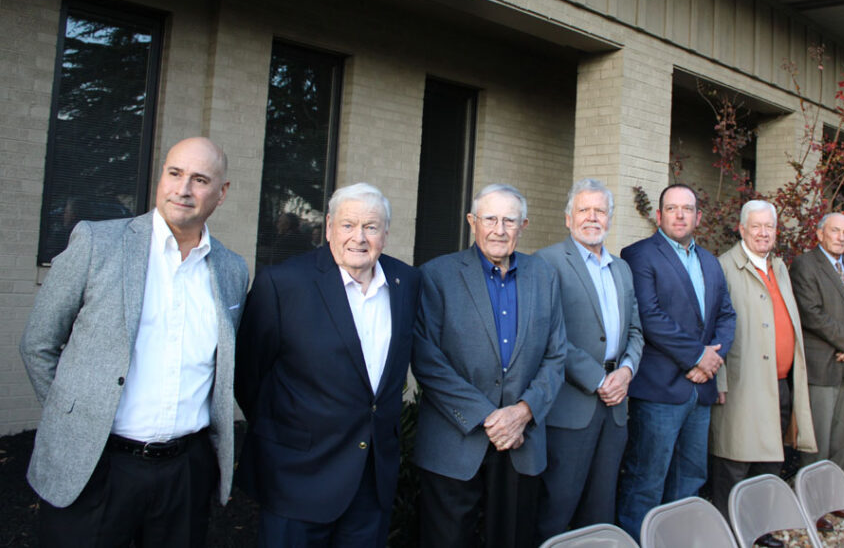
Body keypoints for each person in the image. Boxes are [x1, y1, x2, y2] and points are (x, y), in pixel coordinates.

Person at [20, 137, 249, 547]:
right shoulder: (97, 243)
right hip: (96, 466)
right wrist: (76, 420)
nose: (183, 189)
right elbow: (39, 343)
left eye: (199, 179)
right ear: (161, 177)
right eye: (175, 173)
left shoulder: (231, 269)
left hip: (186, 474)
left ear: (222, 193)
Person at [234, 183, 420, 548]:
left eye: (371, 226)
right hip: (297, 476)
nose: (359, 237)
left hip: (371, 482)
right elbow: (249, 375)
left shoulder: (406, 282)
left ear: (385, 233)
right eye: (349, 225)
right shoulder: (284, 283)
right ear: (330, 226)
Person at [412, 183, 566, 548]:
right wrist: (487, 416)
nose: (499, 229)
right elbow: (426, 358)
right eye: (490, 219)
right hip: (455, 440)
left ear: (523, 225)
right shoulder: (437, 275)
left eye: (509, 220)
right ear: (472, 222)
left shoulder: (543, 276)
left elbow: (556, 355)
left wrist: (524, 412)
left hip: (521, 442)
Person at [617, 183, 736, 541]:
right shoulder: (639, 255)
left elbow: (727, 316)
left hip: (699, 393)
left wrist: (712, 361)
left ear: (698, 217)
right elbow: (650, 317)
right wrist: (698, 355)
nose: (679, 215)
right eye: (671, 208)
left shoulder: (710, 262)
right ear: (659, 215)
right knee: (646, 481)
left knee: (689, 479)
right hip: (658, 393)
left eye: (687, 209)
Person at [534, 179, 644, 542]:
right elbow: (551, 337)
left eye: (600, 211)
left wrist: (626, 371)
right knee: (556, 507)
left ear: (610, 219)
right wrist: (599, 380)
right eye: (584, 210)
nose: (592, 218)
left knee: (600, 512)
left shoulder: (621, 269)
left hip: (615, 409)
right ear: (568, 218)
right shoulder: (546, 263)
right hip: (571, 407)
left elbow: (636, 331)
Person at [709, 200, 816, 517]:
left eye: (769, 226)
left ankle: (759, 528)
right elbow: (713, 327)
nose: (763, 232)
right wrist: (720, 379)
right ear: (741, 229)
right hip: (742, 384)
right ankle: (729, 532)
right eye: (755, 226)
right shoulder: (724, 267)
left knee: (770, 461)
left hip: (780, 384)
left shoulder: (779, 267)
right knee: (734, 462)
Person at [790, 212, 844, 471]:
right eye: (835, 231)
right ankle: (814, 500)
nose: (840, 237)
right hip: (822, 366)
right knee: (818, 441)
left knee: (842, 440)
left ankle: (836, 494)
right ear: (820, 233)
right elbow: (811, 314)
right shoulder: (805, 265)